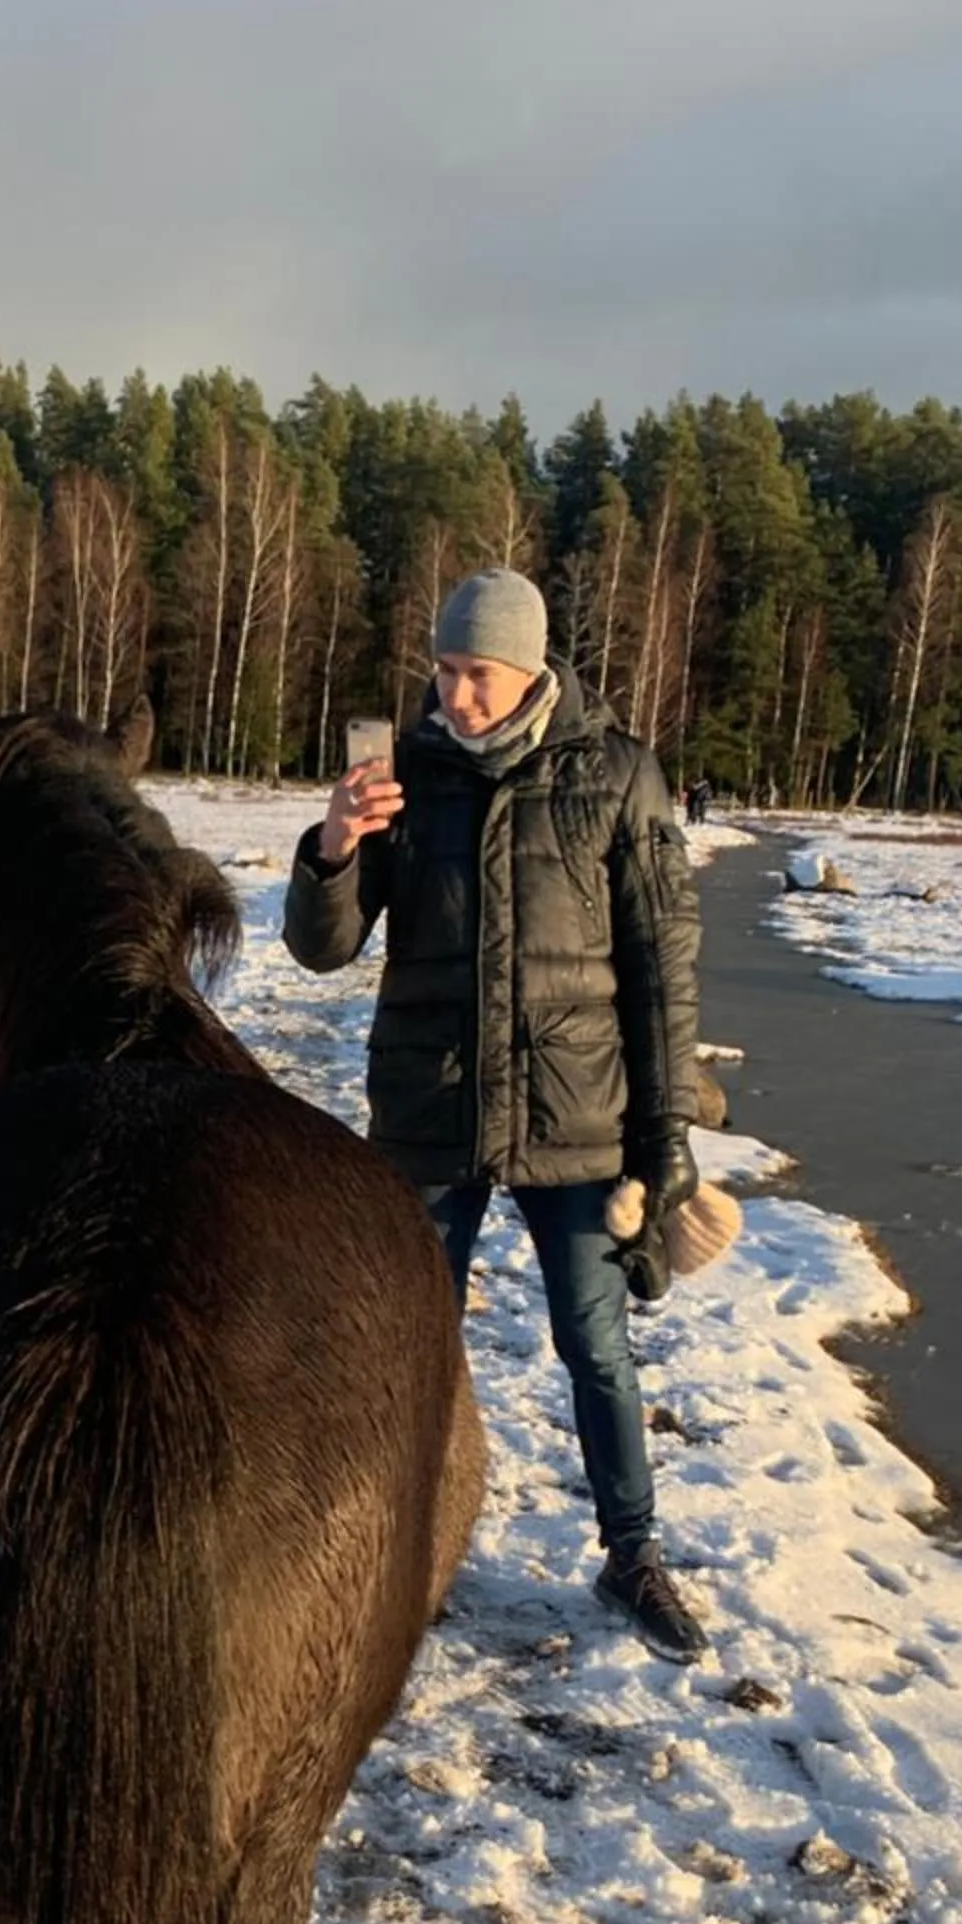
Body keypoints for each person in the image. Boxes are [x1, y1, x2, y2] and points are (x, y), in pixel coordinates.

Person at [283, 568, 708, 1661]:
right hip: (431, 1107)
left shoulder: (618, 777)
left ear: (529, 674)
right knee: (411, 1344)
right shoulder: (406, 778)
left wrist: (665, 1145)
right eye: (443, 670)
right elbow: (322, 948)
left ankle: (633, 1553)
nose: (454, 696)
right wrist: (334, 847)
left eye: (477, 676)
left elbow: (662, 970)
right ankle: (395, 1557)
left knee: (595, 1341)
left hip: (577, 1117)